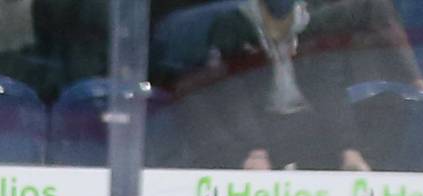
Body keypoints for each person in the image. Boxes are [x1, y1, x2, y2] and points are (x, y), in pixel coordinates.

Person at [157, 0, 373, 171]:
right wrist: (255, 149)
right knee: (197, 102)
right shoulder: (233, 25)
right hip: (255, 126)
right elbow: (234, 94)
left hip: (303, 124)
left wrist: (349, 147)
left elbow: (328, 88)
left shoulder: (315, 24)